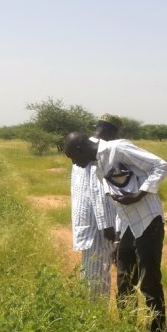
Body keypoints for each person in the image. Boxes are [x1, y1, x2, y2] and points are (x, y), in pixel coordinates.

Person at [63, 132, 167, 332]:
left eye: (72, 157)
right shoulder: (98, 165)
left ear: (80, 149)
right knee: (124, 281)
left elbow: (161, 165)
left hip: (148, 221)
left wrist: (141, 193)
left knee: (149, 283)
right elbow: (118, 203)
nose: (75, 164)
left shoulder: (117, 149)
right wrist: (118, 239)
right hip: (128, 225)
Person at [70, 114, 120, 297]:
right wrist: (107, 225)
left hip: (84, 221)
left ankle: (89, 315)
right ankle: (95, 318)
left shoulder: (79, 146)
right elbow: (98, 192)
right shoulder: (95, 151)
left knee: (89, 271)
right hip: (98, 226)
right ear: (109, 131)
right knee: (97, 274)